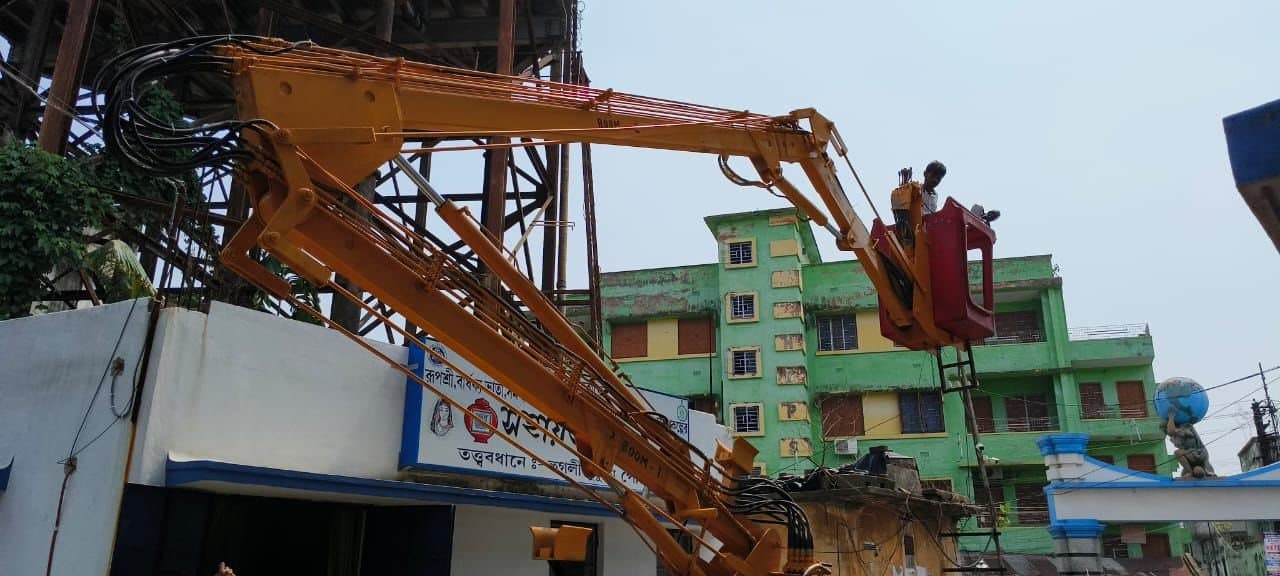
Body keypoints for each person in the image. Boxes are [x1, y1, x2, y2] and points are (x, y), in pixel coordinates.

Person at [1165, 411, 1215, 478]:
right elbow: (1171, 432)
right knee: (1179, 453)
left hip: (1197, 452)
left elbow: (1171, 431)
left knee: (1178, 453)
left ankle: (1189, 472)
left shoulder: (1187, 427)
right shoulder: (1178, 434)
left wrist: (1171, 416)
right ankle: (1189, 472)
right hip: (1196, 454)